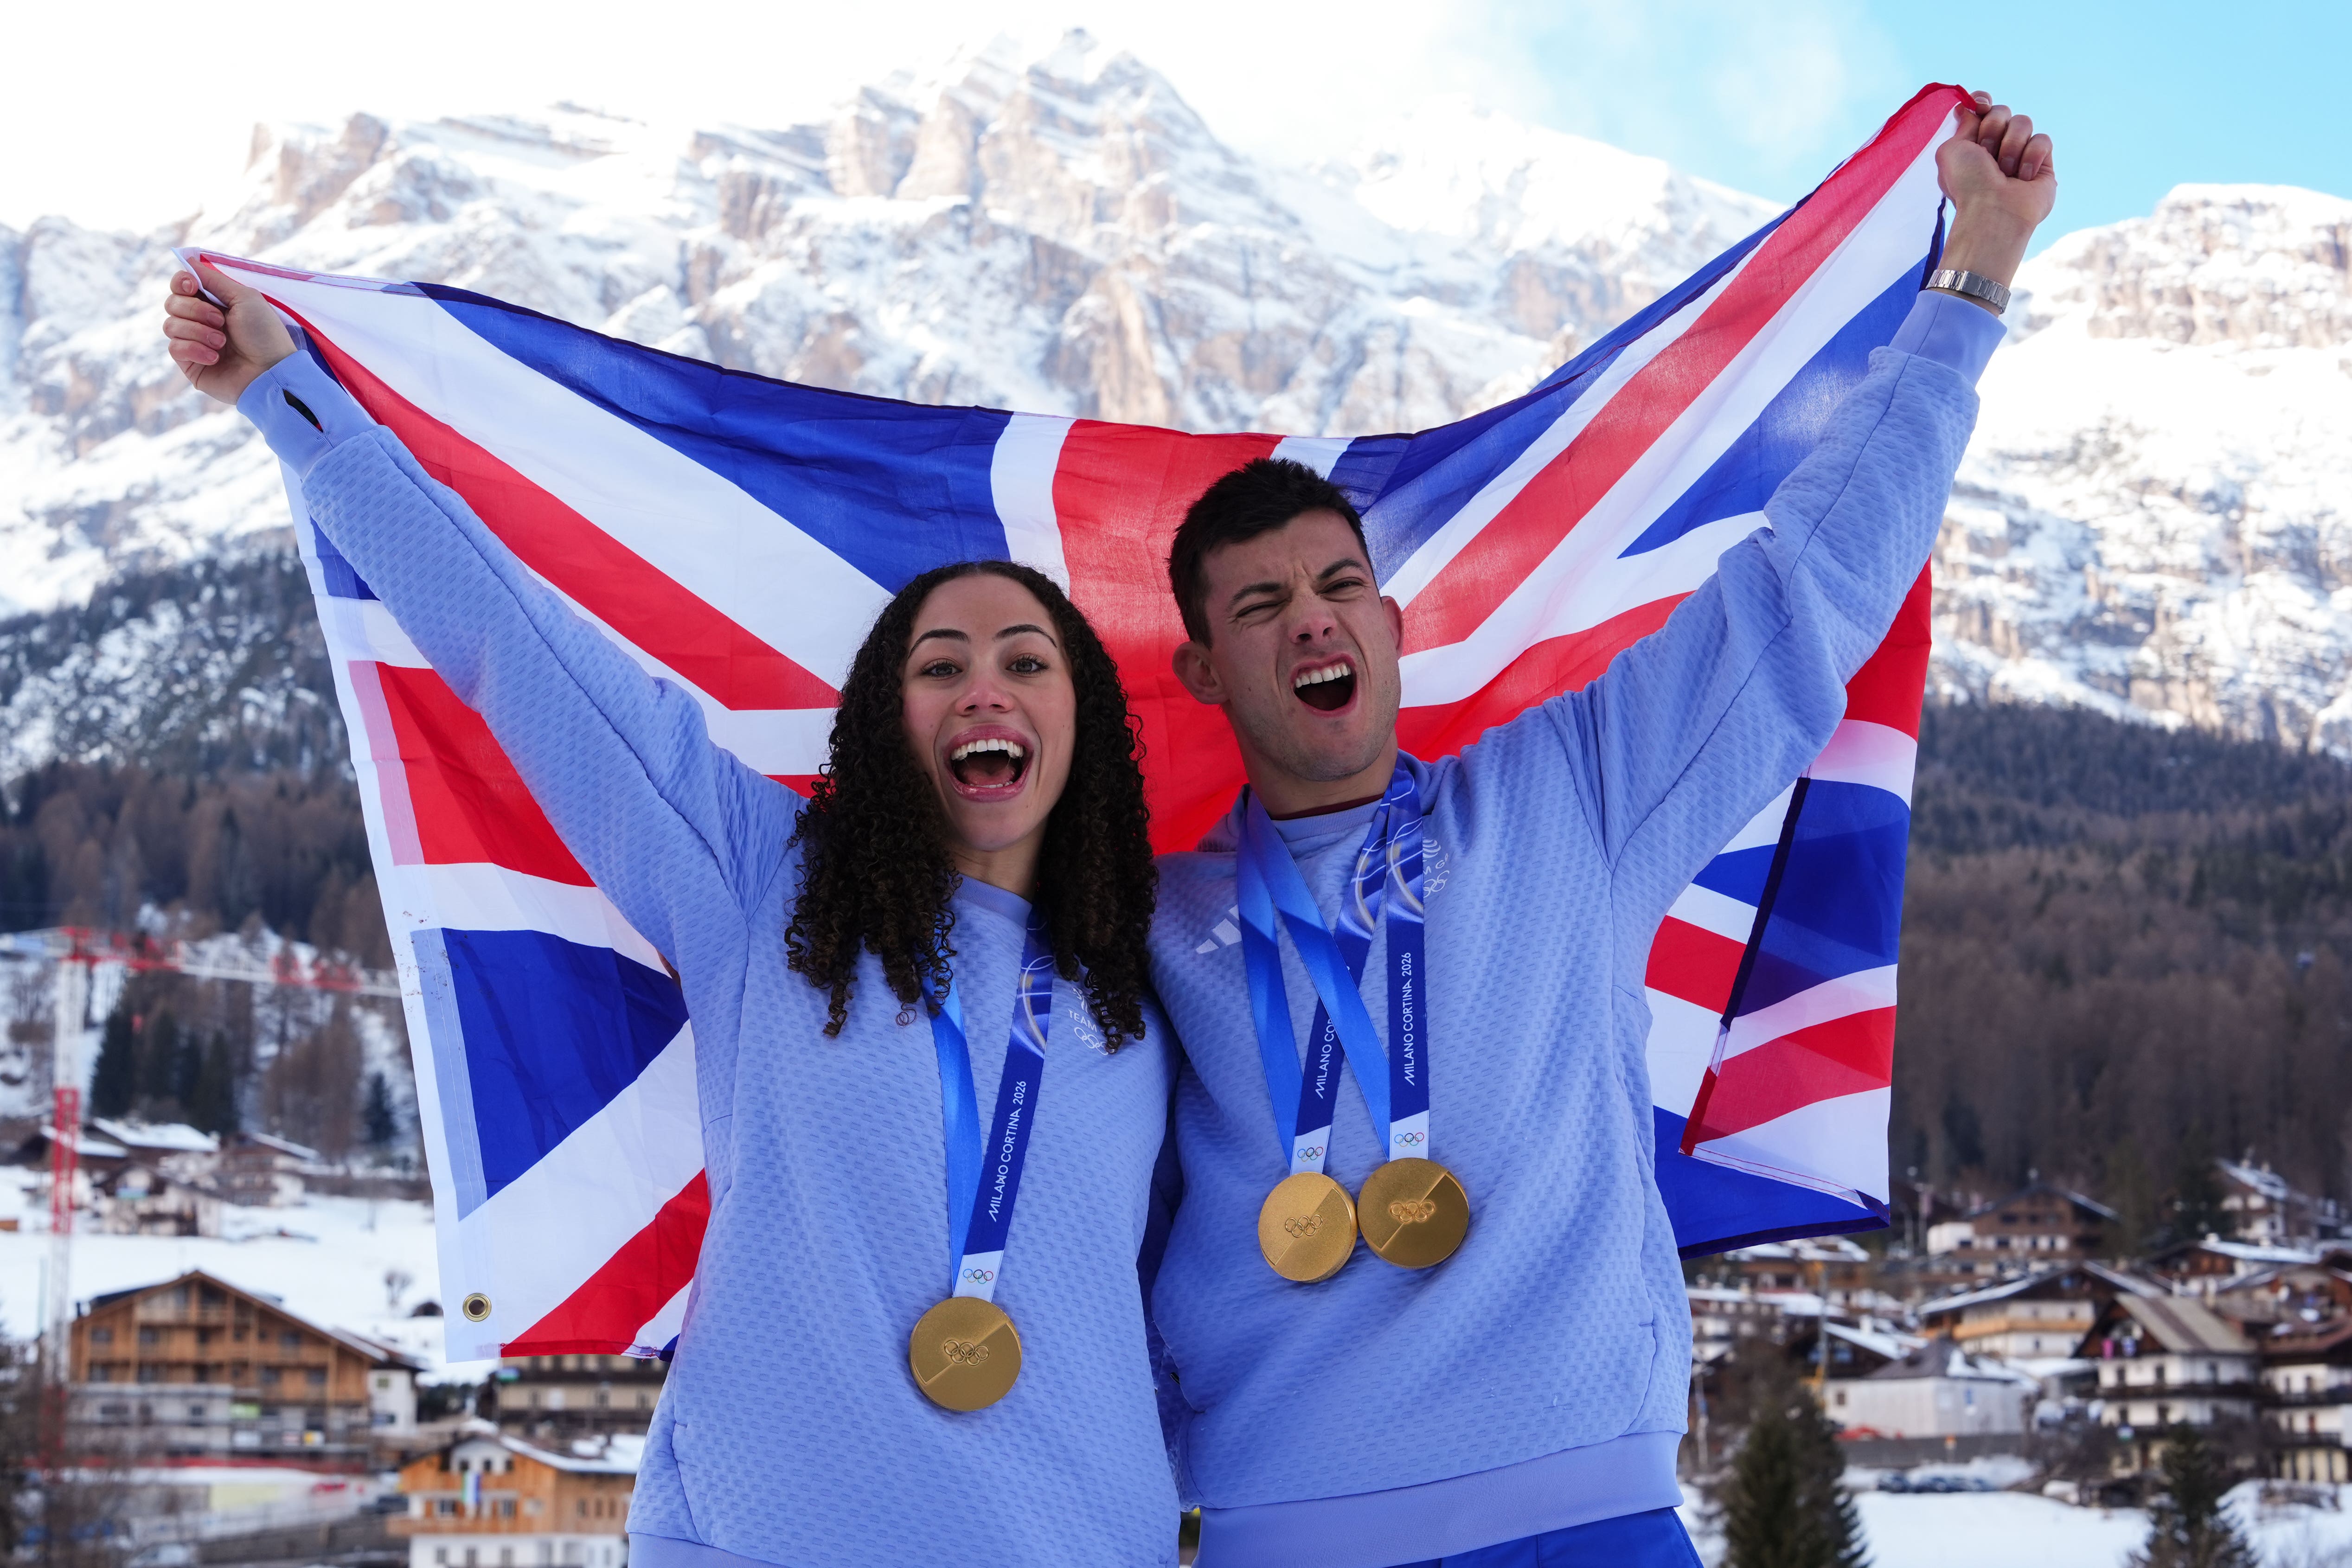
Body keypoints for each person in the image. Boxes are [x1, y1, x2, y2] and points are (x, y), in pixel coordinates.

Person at [1144, 98, 2056, 1567]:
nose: (1311, 617)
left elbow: (1798, 591)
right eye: (1260, 606)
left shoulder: (1564, 798)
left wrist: (1977, 278)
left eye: (1336, 586)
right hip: (1279, 1530)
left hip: (1587, 1520)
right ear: (1206, 672)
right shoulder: (1145, 926)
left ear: (1385, 624)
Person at [162, 269, 1182, 1567]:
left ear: (1082, 722)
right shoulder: (774, 892)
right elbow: (519, 649)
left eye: (1027, 662)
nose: (986, 688)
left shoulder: (1149, 981)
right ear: (886, 723)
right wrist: (288, 401)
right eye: (941, 666)